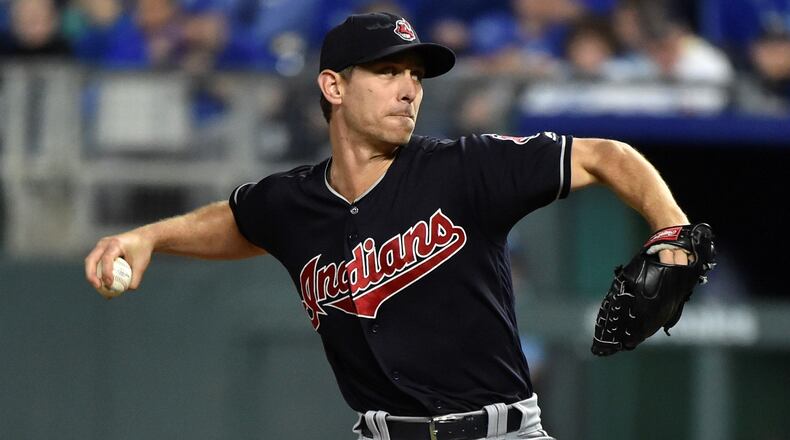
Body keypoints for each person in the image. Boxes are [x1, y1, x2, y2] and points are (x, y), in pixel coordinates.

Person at [85, 12, 695, 440]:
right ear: (334, 86)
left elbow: (606, 156)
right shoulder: (294, 203)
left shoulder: (465, 168)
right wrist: (149, 237)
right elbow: (239, 221)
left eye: (415, 75)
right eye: (386, 72)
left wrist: (671, 232)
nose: (408, 89)